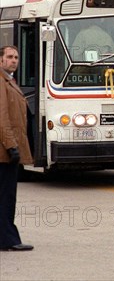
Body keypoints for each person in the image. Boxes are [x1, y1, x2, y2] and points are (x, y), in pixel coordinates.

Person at [0, 45, 34, 251]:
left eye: (16, 57)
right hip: (4, 151)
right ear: (0, 60)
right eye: (9, 57)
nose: (14, 60)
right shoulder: (2, 82)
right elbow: (2, 117)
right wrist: (12, 146)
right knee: (6, 196)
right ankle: (9, 239)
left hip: (6, 149)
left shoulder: (9, 80)